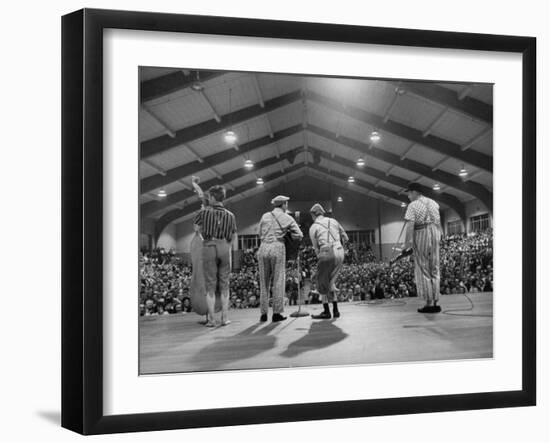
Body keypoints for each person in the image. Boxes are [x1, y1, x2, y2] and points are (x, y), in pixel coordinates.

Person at [193, 185, 237, 327]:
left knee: (210, 285)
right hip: (224, 246)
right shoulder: (230, 215)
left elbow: (196, 229)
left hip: (209, 245)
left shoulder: (203, 213)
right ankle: (225, 318)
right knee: (225, 284)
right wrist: (227, 246)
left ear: (211, 197)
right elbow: (233, 235)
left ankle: (211, 319)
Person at [257, 195, 303, 322]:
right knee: (278, 281)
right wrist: (287, 235)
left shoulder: (265, 216)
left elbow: (259, 233)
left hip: (263, 247)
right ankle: (276, 313)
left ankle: (263, 314)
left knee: (264, 282)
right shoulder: (287, 217)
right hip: (277, 246)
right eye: (286, 203)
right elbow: (299, 235)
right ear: (283, 205)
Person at [402, 182, 443, 313]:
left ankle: (429, 303)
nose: (408, 196)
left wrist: (407, 244)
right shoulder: (434, 203)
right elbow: (439, 223)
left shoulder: (413, 205)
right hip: (435, 233)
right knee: (435, 268)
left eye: (409, 193)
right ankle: (436, 301)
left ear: (415, 192)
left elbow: (410, 225)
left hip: (421, 233)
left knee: (423, 268)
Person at [308, 203, 348, 319]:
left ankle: (326, 311)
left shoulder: (313, 227)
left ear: (313, 215)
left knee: (321, 281)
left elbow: (316, 249)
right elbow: (346, 237)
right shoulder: (333, 221)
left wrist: (321, 261)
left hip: (326, 253)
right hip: (340, 252)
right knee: (330, 281)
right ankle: (336, 310)